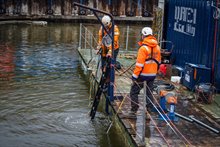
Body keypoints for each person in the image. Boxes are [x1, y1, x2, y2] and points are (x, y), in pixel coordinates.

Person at [130, 27, 161, 114]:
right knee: (149, 93)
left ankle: (134, 110)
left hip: (142, 75)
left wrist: (134, 77)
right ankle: (150, 109)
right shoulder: (158, 47)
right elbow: (159, 63)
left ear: (143, 35)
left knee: (134, 91)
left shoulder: (143, 48)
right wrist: (155, 72)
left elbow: (139, 65)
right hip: (152, 75)